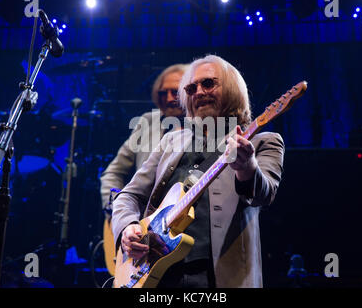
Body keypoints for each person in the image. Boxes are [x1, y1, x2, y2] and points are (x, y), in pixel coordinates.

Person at [111, 54, 285, 288]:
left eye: (209, 83)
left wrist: (247, 167)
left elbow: (265, 194)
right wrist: (126, 227)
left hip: (217, 280)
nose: (199, 92)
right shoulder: (170, 141)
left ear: (233, 89)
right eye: (191, 88)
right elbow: (129, 195)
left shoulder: (263, 141)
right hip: (157, 276)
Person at [100, 63, 189, 210]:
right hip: (138, 224)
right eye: (163, 93)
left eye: (175, 92)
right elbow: (113, 172)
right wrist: (115, 208)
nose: (168, 99)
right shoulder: (147, 121)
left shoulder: (204, 127)